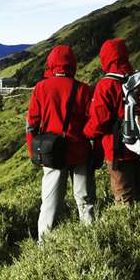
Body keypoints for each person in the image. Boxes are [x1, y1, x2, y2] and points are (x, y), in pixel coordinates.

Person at [25, 44, 94, 242]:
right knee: (85, 200)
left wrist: (34, 153)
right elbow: (93, 122)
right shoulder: (83, 89)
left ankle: (44, 247)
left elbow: (32, 124)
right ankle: (91, 240)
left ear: (51, 64)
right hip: (80, 151)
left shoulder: (41, 88)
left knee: (50, 203)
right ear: (72, 64)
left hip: (52, 154)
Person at [84, 37, 140, 204]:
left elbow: (99, 122)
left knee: (124, 200)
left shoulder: (106, 85)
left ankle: (131, 228)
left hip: (118, 153)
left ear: (105, 58)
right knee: (139, 193)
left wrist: (85, 132)